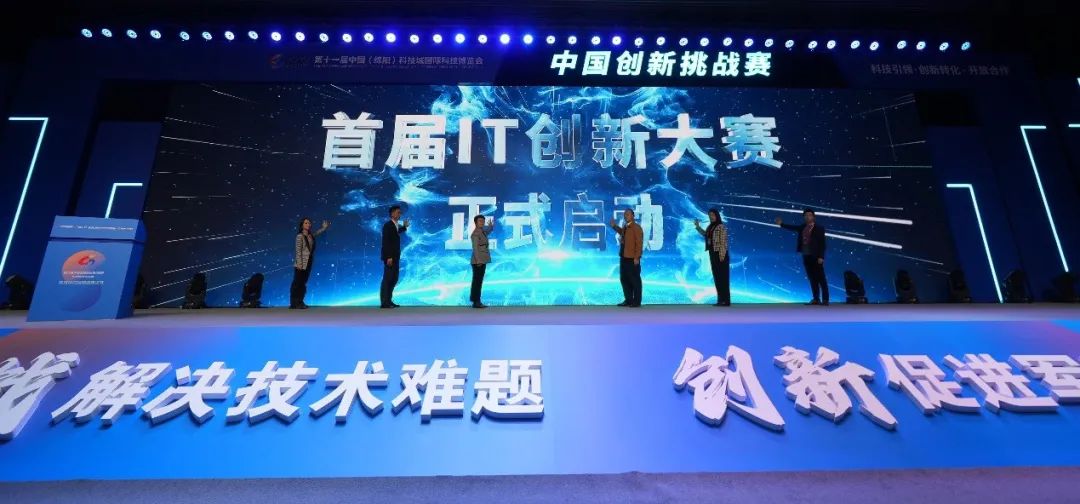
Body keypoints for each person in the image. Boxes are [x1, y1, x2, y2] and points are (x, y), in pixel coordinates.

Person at [776, 208, 829, 305]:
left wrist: (821, 257)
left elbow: (822, 244)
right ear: (804, 217)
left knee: (821, 278)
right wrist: (782, 224)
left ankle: (825, 300)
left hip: (816, 256)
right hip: (806, 255)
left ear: (813, 217)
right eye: (806, 215)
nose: (808, 217)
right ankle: (816, 299)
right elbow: (793, 227)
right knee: (812, 278)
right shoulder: (802, 227)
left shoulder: (819, 228)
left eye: (810, 215)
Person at [291, 217, 329, 309]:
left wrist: (324, 228)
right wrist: (299, 264)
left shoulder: (310, 235)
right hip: (301, 262)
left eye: (309, 223)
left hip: (309, 261)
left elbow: (317, 233)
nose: (308, 224)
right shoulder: (300, 236)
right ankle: (294, 303)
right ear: (302, 225)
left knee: (303, 282)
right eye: (306, 223)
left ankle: (300, 301)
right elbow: (298, 251)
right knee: (298, 283)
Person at [694, 208, 730, 306]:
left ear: (717, 216)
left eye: (713, 215)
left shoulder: (720, 226)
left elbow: (723, 242)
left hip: (720, 254)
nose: (711, 217)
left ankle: (725, 301)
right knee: (717, 278)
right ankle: (720, 300)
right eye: (709, 215)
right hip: (712, 253)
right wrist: (697, 226)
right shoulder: (710, 227)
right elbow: (705, 235)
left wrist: (722, 257)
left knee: (722, 278)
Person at [610, 208, 644, 307]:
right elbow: (622, 232)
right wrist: (614, 226)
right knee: (624, 279)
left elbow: (639, 244)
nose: (626, 216)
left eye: (628, 214)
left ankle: (636, 302)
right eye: (625, 214)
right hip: (624, 257)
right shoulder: (626, 226)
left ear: (633, 216)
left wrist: (637, 257)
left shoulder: (636, 228)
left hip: (632, 258)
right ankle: (628, 300)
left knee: (635, 280)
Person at [380, 205, 409, 309]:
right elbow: (386, 242)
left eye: (400, 212)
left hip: (395, 257)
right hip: (390, 257)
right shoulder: (388, 225)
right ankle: (384, 302)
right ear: (392, 214)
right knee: (388, 279)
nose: (400, 214)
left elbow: (397, 232)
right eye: (398, 212)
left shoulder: (395, 225)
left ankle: (389, 300)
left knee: (394, 279)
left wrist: (404, 227)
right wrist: (388, 257)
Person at [469, 215, 495, 308]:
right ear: (475, 222)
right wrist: (478, 261)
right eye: (480, 221)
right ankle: (476, 301)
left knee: (478, 281)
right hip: (478, 261)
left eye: (483, 221)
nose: (482, 223)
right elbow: (475, 249)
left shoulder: (482, 231)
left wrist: (490, 226)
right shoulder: (476, 234)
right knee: (477, 282)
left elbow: (487, 231)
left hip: (482, 260)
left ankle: (476, 300)